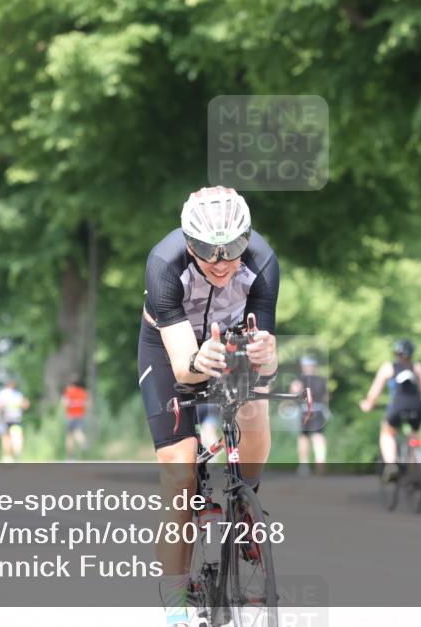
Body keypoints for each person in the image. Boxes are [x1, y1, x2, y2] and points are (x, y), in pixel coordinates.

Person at [138, 186, 278, 627]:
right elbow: (183, 369)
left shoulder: (263, 263)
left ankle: (245, 501)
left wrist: (267, 360)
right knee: (179, 473)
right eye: (205, 250)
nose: (219, 262)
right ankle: (176, 603)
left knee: (255, 411)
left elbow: (263, 362)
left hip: (229, 340)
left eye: (232, 249)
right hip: (171, 349)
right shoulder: (164, 264)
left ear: (247, 239)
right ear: (187, 242)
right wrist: (201, 361)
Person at [360, 339, 421, 483]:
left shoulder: (389, 368)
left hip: (397, 405)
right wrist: (418, 402)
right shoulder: (417, 367)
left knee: (387, 432)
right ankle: (415, 469)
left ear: (396, 353)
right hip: (416, 406)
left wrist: (368, 404)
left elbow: (374, 393)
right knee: (414, 435)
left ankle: (392, 464)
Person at [290, 355, 329, 476]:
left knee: (304, 437)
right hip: (319, 410)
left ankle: (304, 465)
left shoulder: (300, 379)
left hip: (305, 411)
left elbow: (294, 392)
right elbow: (326, 396)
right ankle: (320, 461)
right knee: (318, 436)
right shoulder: (321, 380)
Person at [0, 379, 29, 461]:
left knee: (14, 436)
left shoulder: (17, 394)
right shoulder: (5, 393)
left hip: (15, 418)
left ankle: (13, 454)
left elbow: (24, 406)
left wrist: (25, 404)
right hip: (7, 418)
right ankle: (8, 456)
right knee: (7, 437)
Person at [62, 375, 89, 460]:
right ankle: (83, 441)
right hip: (80, 416)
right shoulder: (83, 392)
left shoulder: (69, 391)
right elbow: (87, 404)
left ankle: (71, 457)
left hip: (71, 416)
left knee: (70, 436)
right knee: (78, 432)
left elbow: (64, 403)